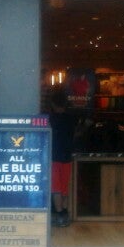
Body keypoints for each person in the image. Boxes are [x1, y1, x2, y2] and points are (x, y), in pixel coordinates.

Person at [49, 88, 75, 227]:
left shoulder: (50, 119)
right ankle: (65, 213)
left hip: (54, 157)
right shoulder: (71, 119)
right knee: (64, 187)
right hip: (67, 156)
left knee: (56, 188)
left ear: (53, 104)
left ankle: (59, 214)